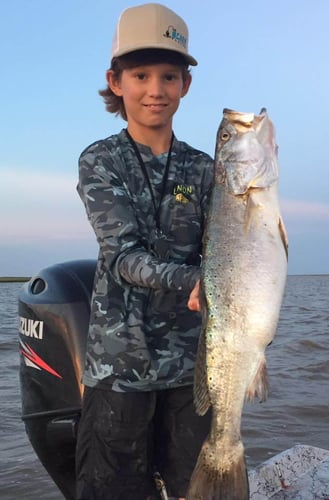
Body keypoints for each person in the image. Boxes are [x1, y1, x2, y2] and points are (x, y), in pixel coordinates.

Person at [75, 3, 213, 499]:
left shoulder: (206, 169)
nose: (156, 89)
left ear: (185, 85)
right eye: (140, 75)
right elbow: (122, 255)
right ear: (116, 81)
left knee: (197, 487)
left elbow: (227, 248)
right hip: (119, 367)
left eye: (169, 76)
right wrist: (193, 280)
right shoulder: (100, 160)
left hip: (192, 368)